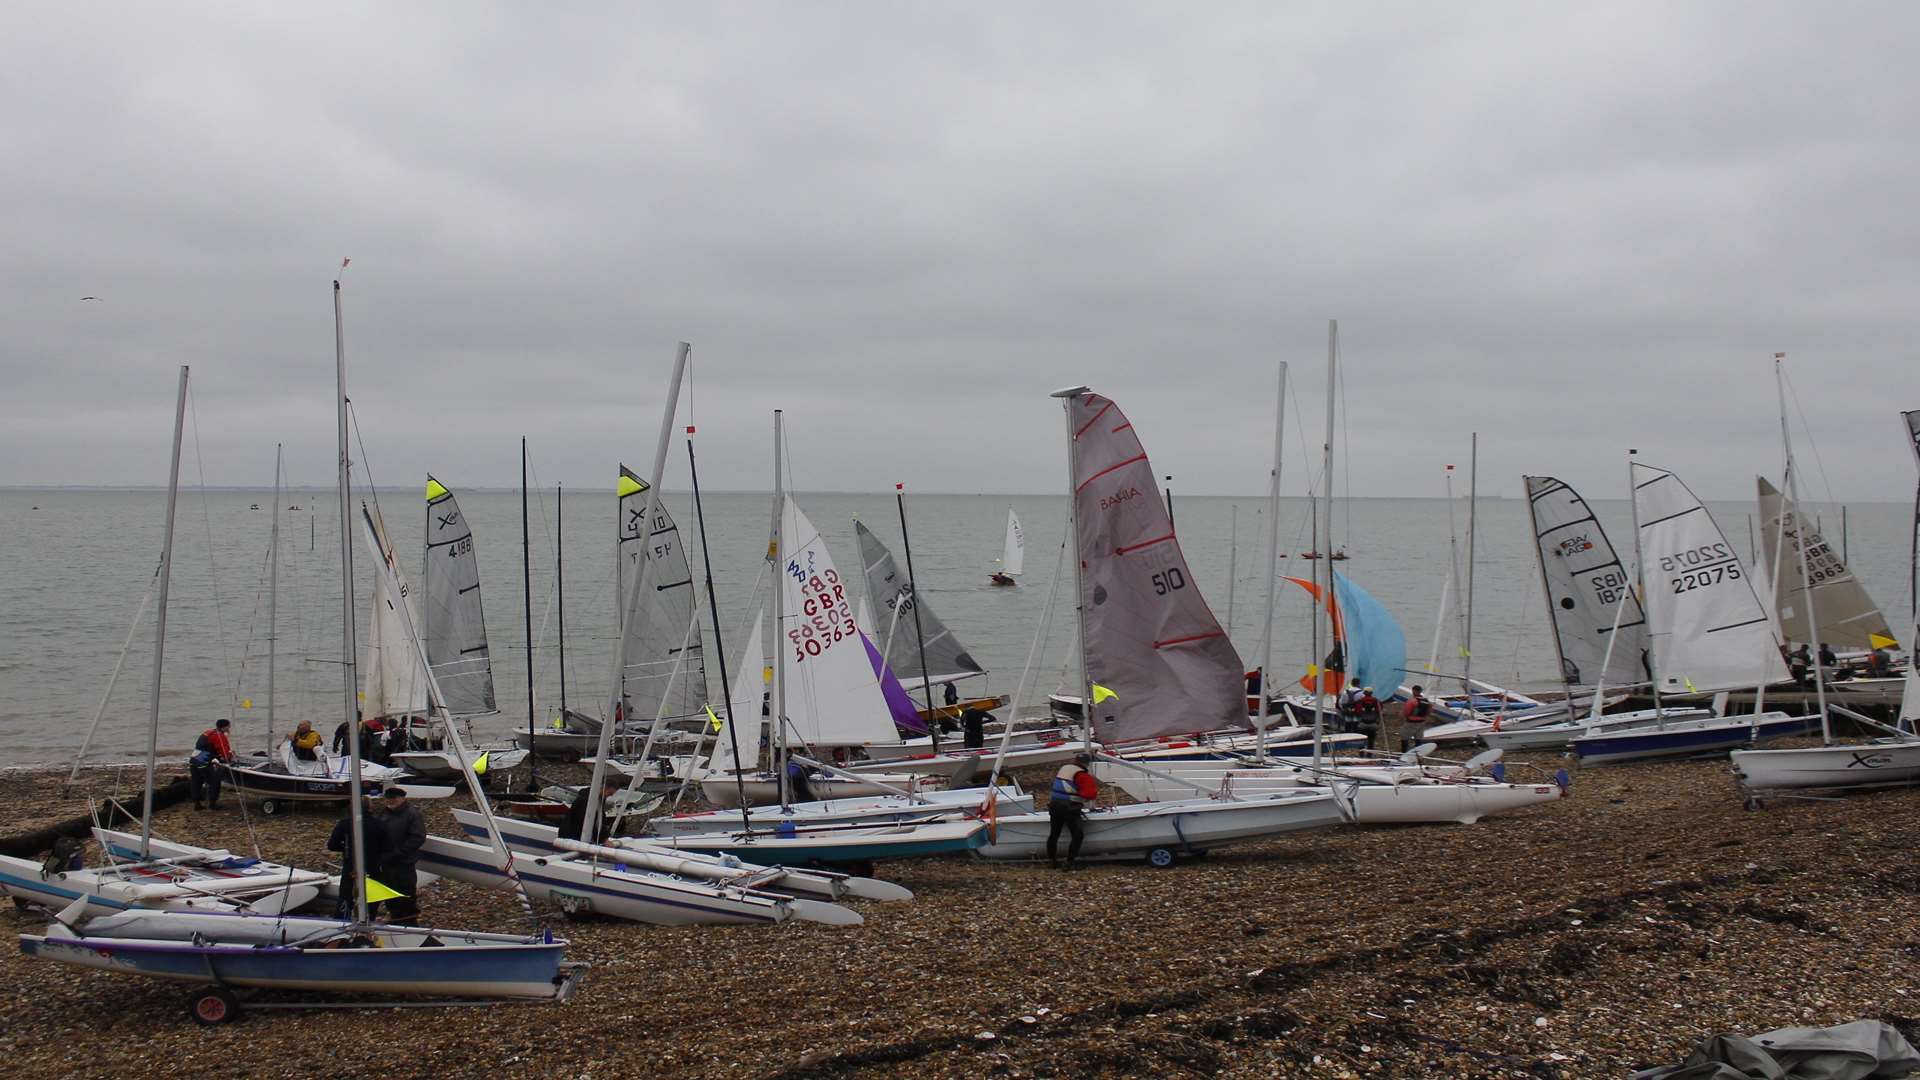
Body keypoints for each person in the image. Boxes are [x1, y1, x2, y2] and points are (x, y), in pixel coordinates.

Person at [325, 796, 389, 918]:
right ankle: (369, 920)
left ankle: (342, 920)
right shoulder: (379, 824)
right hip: (373, 866)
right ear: (370, 807)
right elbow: (388, 847)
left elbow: (332, 845)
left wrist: (346, 848)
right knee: (371, 897)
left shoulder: (345, 823)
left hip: (351, 866)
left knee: (346, 896)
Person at [372, 787, 426, 923]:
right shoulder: (383, 813)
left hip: (404, 861)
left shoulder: (412, 814)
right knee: (389, 889)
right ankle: (394, 914)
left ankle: (409, 917)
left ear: (402, 798)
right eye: (388, 799)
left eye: (394, 798)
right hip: (386, 860)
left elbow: (417, 837)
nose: (391, 801)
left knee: (406, 889)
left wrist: (399, 853)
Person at [1047, 753, 1098, 870]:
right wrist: (1084, 798)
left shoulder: (1064, 768)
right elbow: (1090, 794)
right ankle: (1069, 863)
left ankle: (1051, 861)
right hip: (1070, 807)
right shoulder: (1082, 775)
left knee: (1054, 834)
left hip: (1054, 805)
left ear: (1075, 760)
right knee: (1077, 835)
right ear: (1087, 763)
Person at [559, 777, 622, 845]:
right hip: (572, 834)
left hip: (581, 833)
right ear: (602, 788)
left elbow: (601, 818)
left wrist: (605, 836)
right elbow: (589, 820)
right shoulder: (585, 800)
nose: (611, 795)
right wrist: (603, 839)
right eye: (610, 793)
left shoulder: (601, 799)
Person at [189, 718, 234, 810]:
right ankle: (213, 804)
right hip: (204, 760)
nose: (229, 729)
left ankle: (196, 803)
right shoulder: (220, 736)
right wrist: (230, 758)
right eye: (228, 726)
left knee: (196, 781)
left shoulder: (208, 732)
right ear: (224, 727)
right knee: (215, 781)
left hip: (195, 757)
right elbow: (224, 753)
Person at [1400, 686, 1433, 751]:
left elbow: (1406, 712)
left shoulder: (1412, 701)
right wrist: (1425, 718)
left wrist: (1405, 716)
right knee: (1419, 738)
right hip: (1421, 722)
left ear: (1414, 691)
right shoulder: (1427, 701)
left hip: (1411, 722)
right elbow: (1429, 711)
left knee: (1405, 737)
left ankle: (1404, 752)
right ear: (1420, 691)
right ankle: (1418, 752)